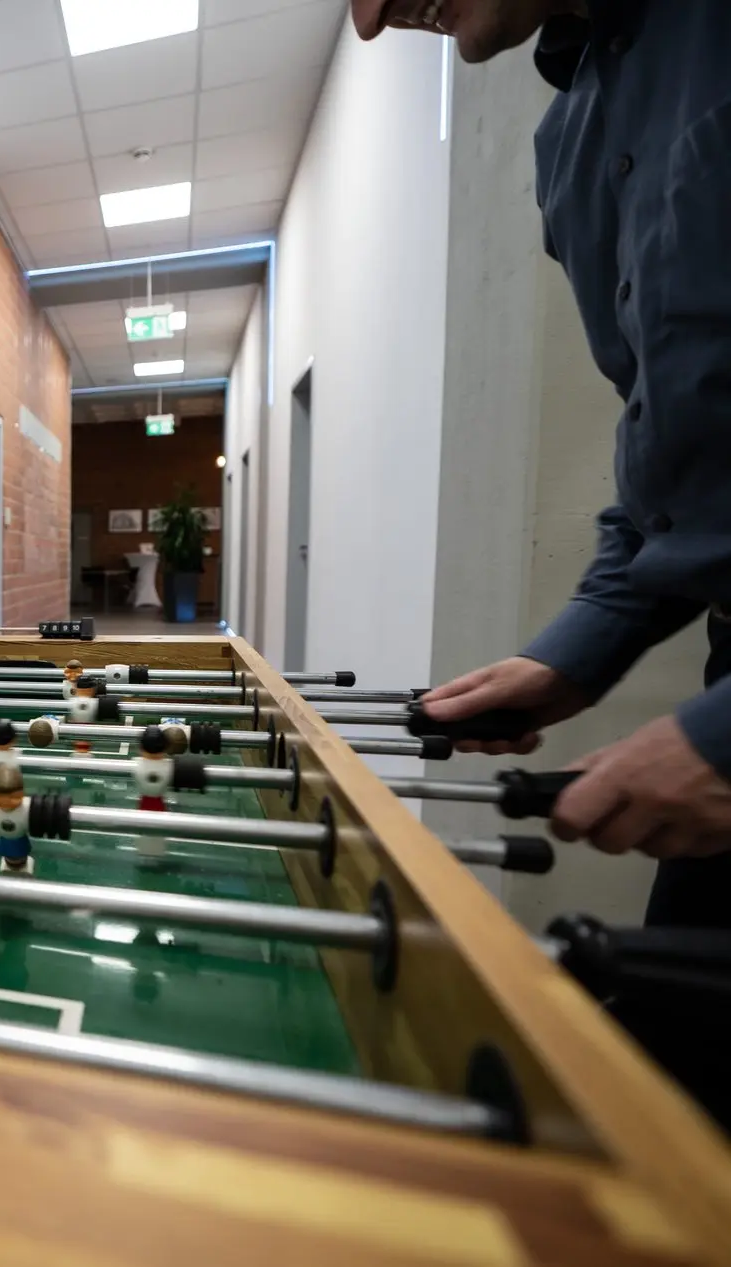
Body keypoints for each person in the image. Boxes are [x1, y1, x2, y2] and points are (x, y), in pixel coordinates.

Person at [352, 0, 731, 1121]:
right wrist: (578, 653)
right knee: (677, 1104)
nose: (370, 19)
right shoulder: (567, 142)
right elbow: (668, 458)